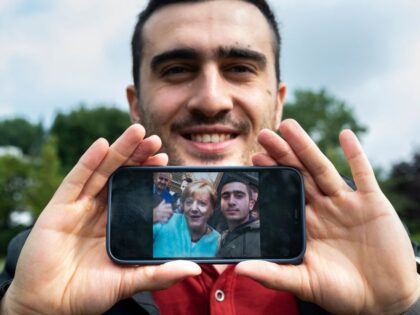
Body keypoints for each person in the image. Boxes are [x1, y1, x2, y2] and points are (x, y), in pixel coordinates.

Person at [1, 0, 419, 314]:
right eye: (177, 69)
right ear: (135, 104)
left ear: (277, 102)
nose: (211, 100)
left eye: (239, 67)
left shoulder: (370, 250)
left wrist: (403, 306)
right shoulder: (47, 261)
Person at [153, 179, 220, 257]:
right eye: (189, 202)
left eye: (202, 203)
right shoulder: (166, 220)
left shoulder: (217, 241)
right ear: (183, 206)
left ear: (212, 209)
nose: (194, 208)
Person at [217, 177, 260, 258]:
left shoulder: (260, 236)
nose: (231, 202)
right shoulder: (221, 237)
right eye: (225, 197)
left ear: (251, 204)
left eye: (239, 196)